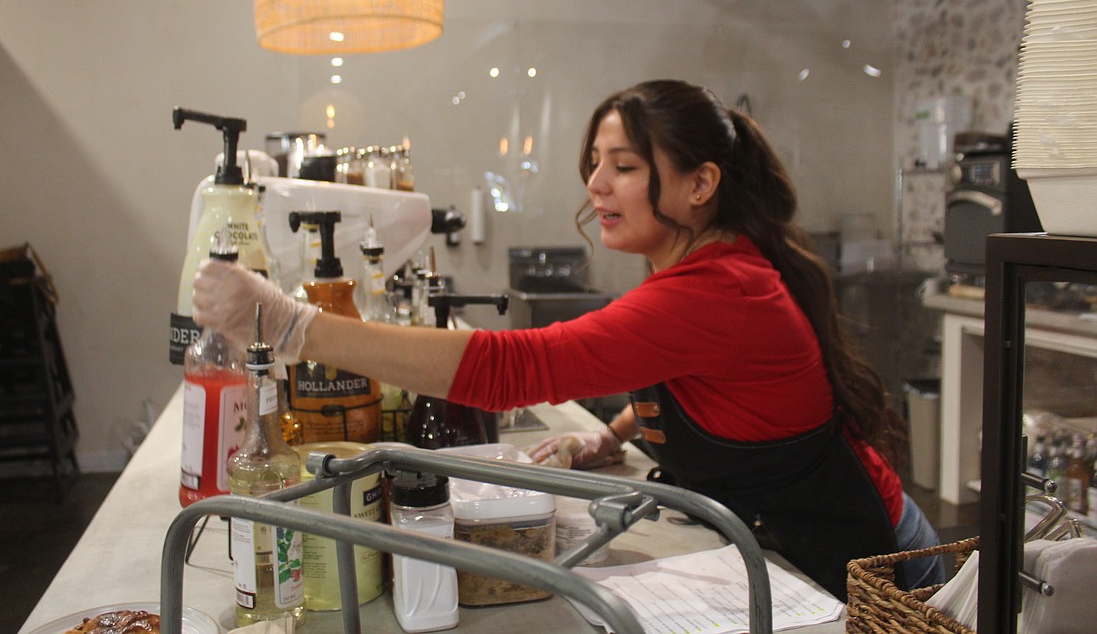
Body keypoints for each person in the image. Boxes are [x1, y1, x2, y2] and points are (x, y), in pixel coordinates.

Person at [192, 79, 944, 601]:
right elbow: (700, 384)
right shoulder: (710, 270)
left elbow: (513, 368)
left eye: (624, 167)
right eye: (594, 165)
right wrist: (608, 435)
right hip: (802, 540)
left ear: (700, 184)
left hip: (869, 559)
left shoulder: (719, 290)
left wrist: (294, 325)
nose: (596, 185)